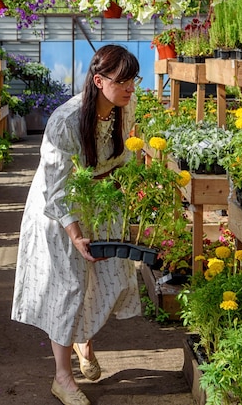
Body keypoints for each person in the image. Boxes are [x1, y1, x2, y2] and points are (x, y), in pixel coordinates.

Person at [11, 44, 143, 405]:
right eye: (123, 81)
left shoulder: (122, 109)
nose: (131, 88)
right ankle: (62, 377)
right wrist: (76, 233)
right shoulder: (66, 121)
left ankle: (83, 341)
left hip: (99, 200)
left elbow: (123, 157)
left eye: (134, 79)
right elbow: (56, 188)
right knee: (68, 286)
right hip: (60, 209)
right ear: (98, 80)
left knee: (106, 278)